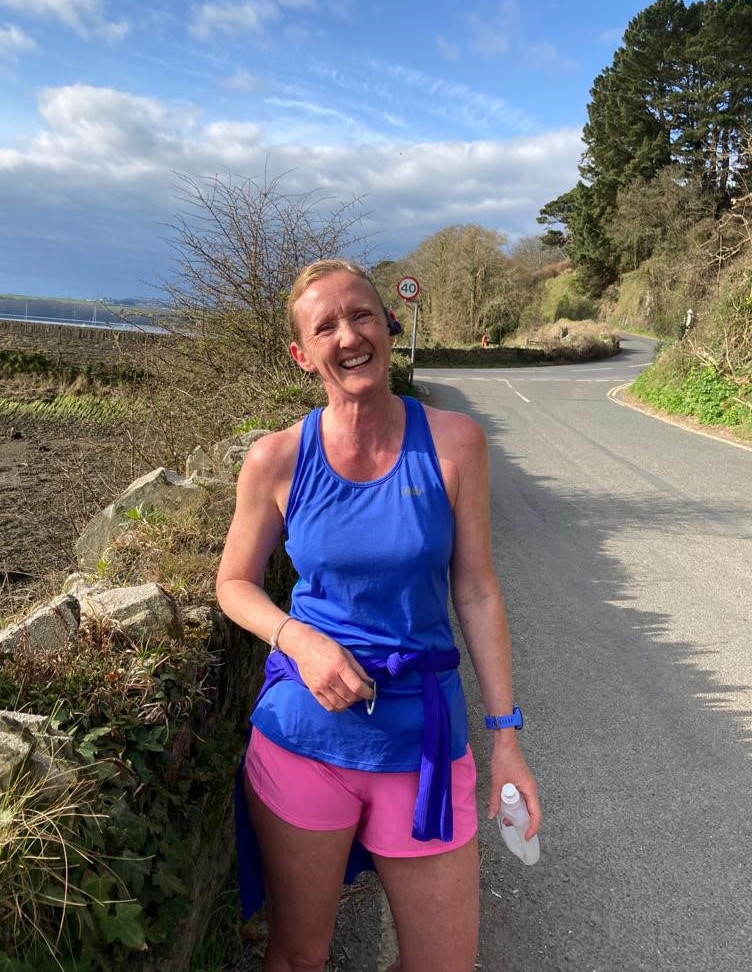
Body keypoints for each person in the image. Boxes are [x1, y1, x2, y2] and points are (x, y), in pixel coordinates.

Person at [216, 259, 540, 972]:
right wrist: (299, 640)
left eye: (361, 315)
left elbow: (477, 591)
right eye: (324, 327)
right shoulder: (276, 459)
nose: (348, 336)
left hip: (423, 741)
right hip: (304, 736)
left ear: (389, 326)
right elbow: (233, 584)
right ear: (302, 355)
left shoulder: (456, 443)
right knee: (299, 956)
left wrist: (506, 739)